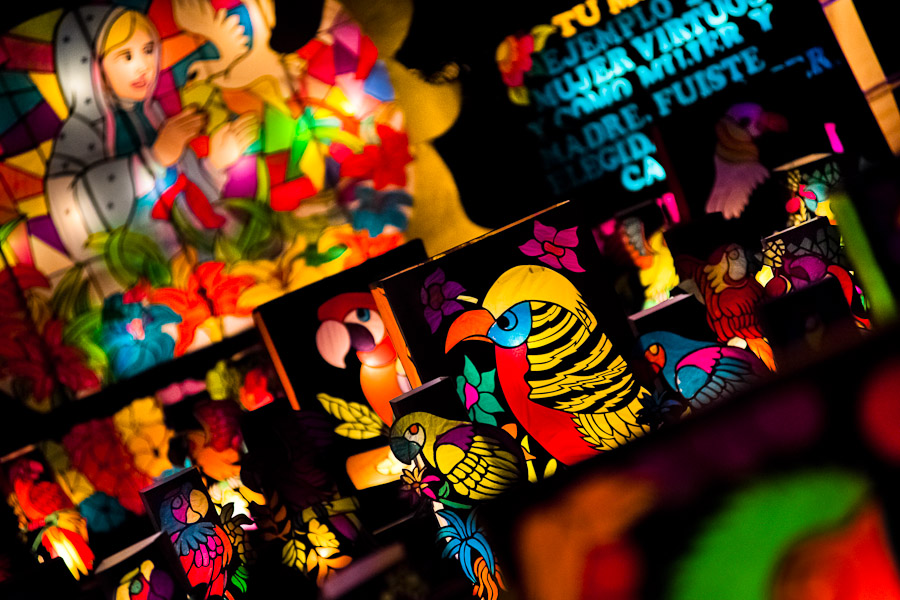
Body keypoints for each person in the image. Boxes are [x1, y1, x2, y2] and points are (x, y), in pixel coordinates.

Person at [46, 6, 255, 295]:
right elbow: (75, 208)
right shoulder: (81, 132)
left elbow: (188, 196)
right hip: (147, 281)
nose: (143, 65)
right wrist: (153, 159)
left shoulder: (151, 112)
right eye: (126, 56)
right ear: (91, 67)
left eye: (147, 50)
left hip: (204, 264)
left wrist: (215, 166)